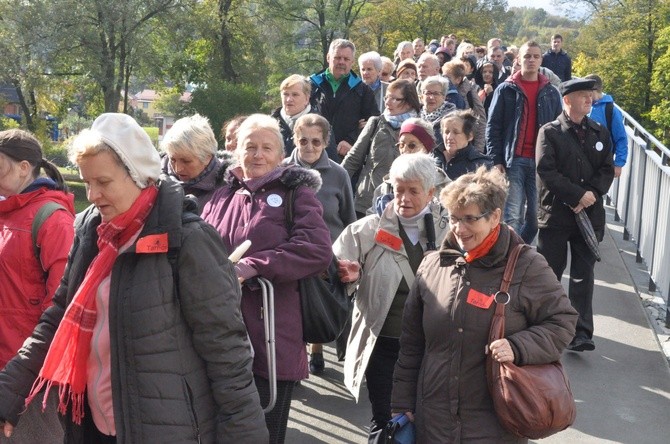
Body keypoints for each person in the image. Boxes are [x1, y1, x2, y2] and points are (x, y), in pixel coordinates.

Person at [0, 113, 268, 443]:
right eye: (86, 183)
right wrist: (7, 396)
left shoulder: (187, 239)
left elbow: (227, 352)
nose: (93, 195)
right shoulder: (90, 229)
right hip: (91, 423)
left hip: (165, 430)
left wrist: (244, 435)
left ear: (137, 173)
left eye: (103, 182)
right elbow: (55, 319)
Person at [390, 166, 578, 442]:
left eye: (469, 219)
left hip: (494, 425)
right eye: (453, 218)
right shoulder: (432, 265)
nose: (459, 229)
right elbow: (412, 344)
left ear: (495, 217)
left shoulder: (527, 266)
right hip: (433, 421)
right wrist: (402, 404)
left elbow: (563, 321)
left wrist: (518, 346)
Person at [201, 114, 332, 443]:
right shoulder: (222, 194)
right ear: (237, 151)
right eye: (250, 147)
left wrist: (254, 265)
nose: (257, 155)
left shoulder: (295, 194)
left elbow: (316, 249)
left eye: (266, 148)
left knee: (262, 433)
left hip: (272, 333)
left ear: (280, 154)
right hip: (218, 332)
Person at [334, 153, 450, 442]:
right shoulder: (367, 230)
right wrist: (345, 274)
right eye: (399, 190)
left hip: (431, 348)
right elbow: (331, 268)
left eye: (414, 191)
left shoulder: (451, 233)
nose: (404, 198)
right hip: (382, 344)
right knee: (386, 421)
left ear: (431, 192)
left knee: (428, 422)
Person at [0, 130, 74, 443]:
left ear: (24, 167)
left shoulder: (54, 219)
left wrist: (21, 383)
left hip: (30, 377)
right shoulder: (7, 212)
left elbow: (62, 307)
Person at [536, 78, 615, 352]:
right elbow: (546, 171)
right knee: (550, 274)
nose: (589, 100)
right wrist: (576, 195)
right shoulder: (550, 132)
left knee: (584, 275)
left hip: (589, 217)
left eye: (590, 96)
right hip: (556, 215)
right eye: (583, 96)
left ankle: (581, 333)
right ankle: (545, 326)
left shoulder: (599, 132)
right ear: (567, 100)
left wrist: (591, 193)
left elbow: (607, 168)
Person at [282, 113, 357, 375]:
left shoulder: (338, 174)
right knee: (292, 309)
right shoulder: (281, 172)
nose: (309, 147)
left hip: (327, 255)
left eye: (316, 141)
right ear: (294, 140)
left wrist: (349, 255)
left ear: (326, 142)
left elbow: (348, 218)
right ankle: (297, 357)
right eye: (303, 141)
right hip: (291, 252)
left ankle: (317, 350)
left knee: (318, 308)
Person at [486, 41, 562, 244]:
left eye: (536, 56)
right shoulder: (505, 89)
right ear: (518, 59)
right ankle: (511, 259)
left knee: (536, 219)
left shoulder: (551, 92)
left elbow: (558, 130)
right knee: (512, 215)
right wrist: (496, 159)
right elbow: (493, 126)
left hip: (540, 163)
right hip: (514, 160)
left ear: (541, 60)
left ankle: (519, 252)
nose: (531, 60)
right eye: (527, 56)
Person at [341, 79, 421, 218]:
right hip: (366, 202)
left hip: (402, 203)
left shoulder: (419, 128)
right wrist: (335, 184)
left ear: (409, 102)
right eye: (387, 97)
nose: (388, 102)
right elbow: (353, 159)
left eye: (395, 99)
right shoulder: (376, 123)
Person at [310, 39, 379, 161]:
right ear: (328, 57)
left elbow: (373, 123)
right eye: (337, 57)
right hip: (313, 152)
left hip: (346, 157)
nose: (341, 62)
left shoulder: (362, 90)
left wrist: (352, 140)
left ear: (352, 62)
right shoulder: (311, 85)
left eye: (346, 59)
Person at [160, 114, 230, 213]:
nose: (178, 169)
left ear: (207, 157)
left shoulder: (229, 187)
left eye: (186, 161)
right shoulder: (154, 179)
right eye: (173, 160)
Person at [586, 74, 628, 178]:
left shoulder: (611, 110)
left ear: (594, 90)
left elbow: (621, 138)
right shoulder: (586, 106)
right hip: (584, 159)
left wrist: (618, 164)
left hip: (603, 161)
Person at [271, 74, 323, 157]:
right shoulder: (270, 125)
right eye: (285, 94)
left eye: (295, 95)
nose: (289, 99)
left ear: (306, 98)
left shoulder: (321, 126)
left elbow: (329, 165)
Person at [443, 60, 487, 151]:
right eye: (443, 76)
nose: (445, 80)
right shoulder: (444, 92)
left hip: (467, 146)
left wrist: (478, 151)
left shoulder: (470, 92)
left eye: (448, 77)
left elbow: (481, 121)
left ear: (458, 79)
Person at [437, 110, 493, 179]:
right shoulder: (433, 159)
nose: (449, 137)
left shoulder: (481, 166)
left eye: (456, 132)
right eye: (446, 132)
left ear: (469, 136)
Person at [419, 75, 456, 148]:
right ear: (422, 96)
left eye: (436, 93)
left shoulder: (453, 118)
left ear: (444, 97)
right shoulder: (414, 117)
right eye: (428, 93)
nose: (431, 97)